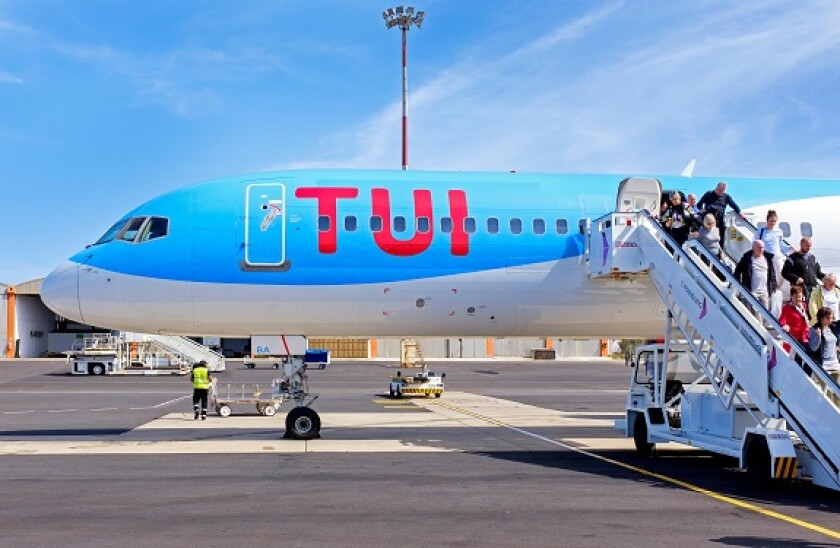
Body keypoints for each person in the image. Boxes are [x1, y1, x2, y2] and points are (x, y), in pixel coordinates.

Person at [755, 210, 792, 317]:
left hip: (777, 258)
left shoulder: (778, 232)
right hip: (766, 258)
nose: (772, 223)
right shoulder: (761, 232)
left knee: (779, 280)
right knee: (766, 281)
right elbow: (755, 244)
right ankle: (767, 305)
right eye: (771, 221)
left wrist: (790, 249)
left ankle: (774, 308)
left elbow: (781, 245)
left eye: (774, 221)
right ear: (767, 221)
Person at [734, 239, 777, 315]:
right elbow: (737, 271)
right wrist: (740, 286)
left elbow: (771, 273)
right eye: (759, 247)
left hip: (764, 291)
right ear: (753, 247)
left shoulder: (767, 259)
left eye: (762, 247)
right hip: (752, 291)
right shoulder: (747, 258)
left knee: (765, 312)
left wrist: (773, 285)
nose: (761, 249)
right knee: (756, 313)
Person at [808, 307, 840, 404]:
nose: (831, 320)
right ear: (822, 318)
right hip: (823, 365)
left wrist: (837, 348)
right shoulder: (813, 330)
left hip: (834, 364)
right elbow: (813, 348)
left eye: (831, 317)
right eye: (828, 318)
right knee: (828, 394)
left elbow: (834, 341)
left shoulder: (832, 328)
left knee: (838, 392)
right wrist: (818, 337)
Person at [783, 237, 825, 305]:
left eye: (810, 246)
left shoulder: (812, 258)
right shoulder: (792, 258)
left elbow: (818, 273)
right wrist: (796, 278)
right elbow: (785, 273)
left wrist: (826, 278)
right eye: (807, 246)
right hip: (800, 290)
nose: (809, 248)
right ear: (801, 245)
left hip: (812, 289)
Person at [779, 285, 809, 356]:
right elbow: (782, 320)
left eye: (800, 296)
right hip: (794, 338)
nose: (798, 299)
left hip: (805, 336)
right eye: (796, 297)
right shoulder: (787, 308)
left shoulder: (804, 306)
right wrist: (785, 325)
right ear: (791, 296)